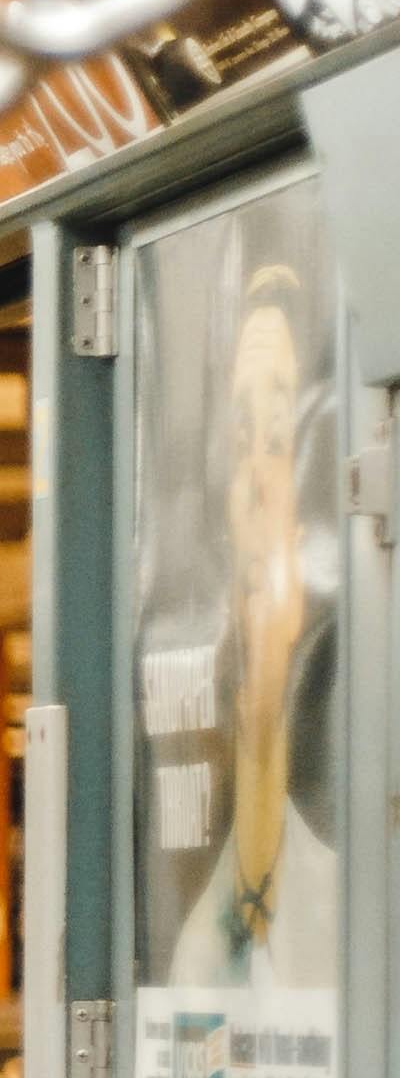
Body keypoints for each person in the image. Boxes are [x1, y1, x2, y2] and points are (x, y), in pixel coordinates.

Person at [168, 252, 337, 987]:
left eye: (280, 440)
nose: (257, 485)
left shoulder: (359, 892)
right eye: (241, 444)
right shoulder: (199, 914)